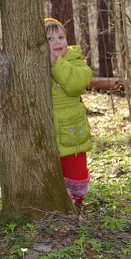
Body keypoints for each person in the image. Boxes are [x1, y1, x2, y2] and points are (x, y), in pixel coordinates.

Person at [44, 18, 92, 211]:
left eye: (61, 37)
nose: (57, 42)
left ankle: (76, 206)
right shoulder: (37, 65)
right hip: (47, 130)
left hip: (72, 130)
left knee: (77, 174)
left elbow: (75, 85)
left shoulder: (75, 61)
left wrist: (56, 63)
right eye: (50, 38)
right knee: (52, 174)